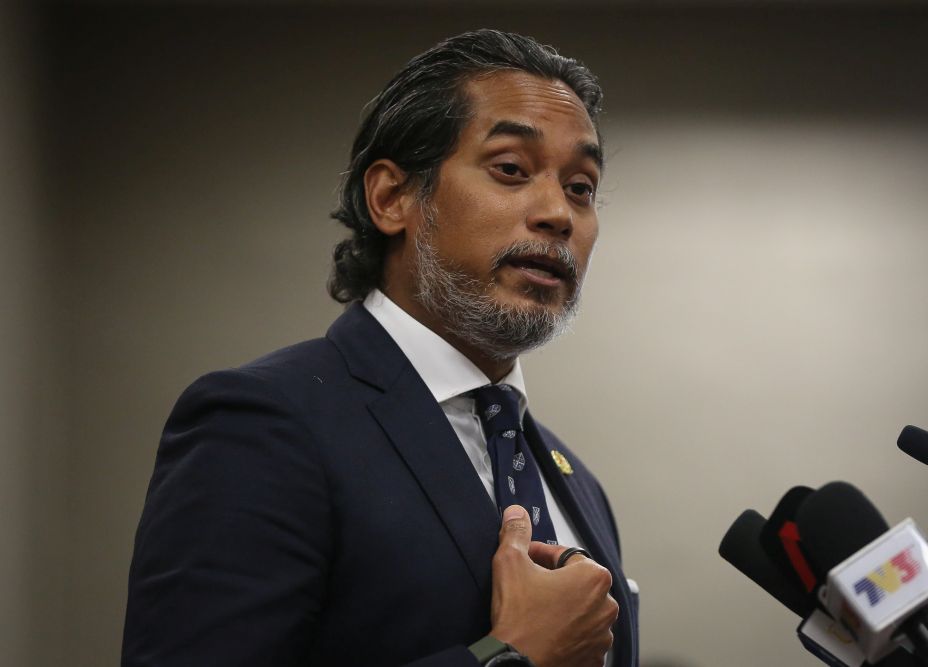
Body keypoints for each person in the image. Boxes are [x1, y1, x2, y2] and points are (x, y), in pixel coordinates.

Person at [122, 29, 638, 667]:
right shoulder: (262, 423)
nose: (558, 213)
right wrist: (512, 657)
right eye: (511, 169)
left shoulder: (576, 482)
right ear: (393, 198)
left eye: (581, 187)